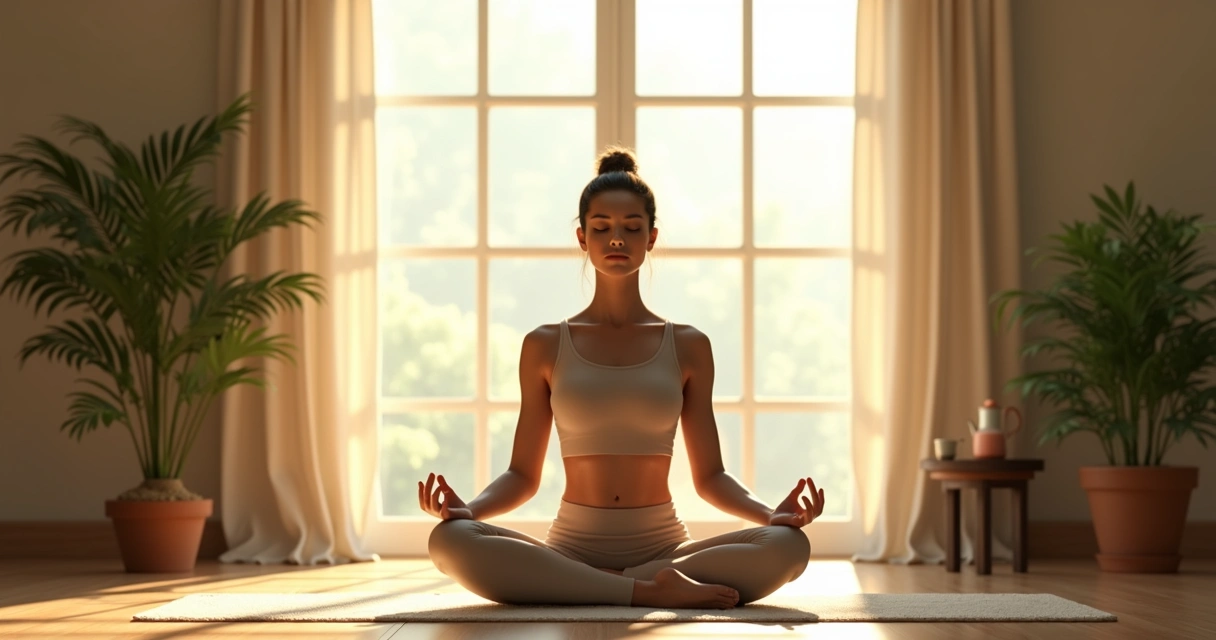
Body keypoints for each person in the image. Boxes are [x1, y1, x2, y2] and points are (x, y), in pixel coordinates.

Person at [421, 147, 826, 609]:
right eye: (602, 228)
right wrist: (467, 511)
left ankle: (598, 586)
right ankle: (643, 593)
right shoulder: (545, 344)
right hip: (571, 548)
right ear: (582, 237)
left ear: (651, 237)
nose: (617, 238)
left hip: (665, 552)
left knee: (790, 547)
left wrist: (773, 515)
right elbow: (521, 475)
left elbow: (711, 476)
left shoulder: (689, 345)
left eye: (632, 228)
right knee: (448, 540)